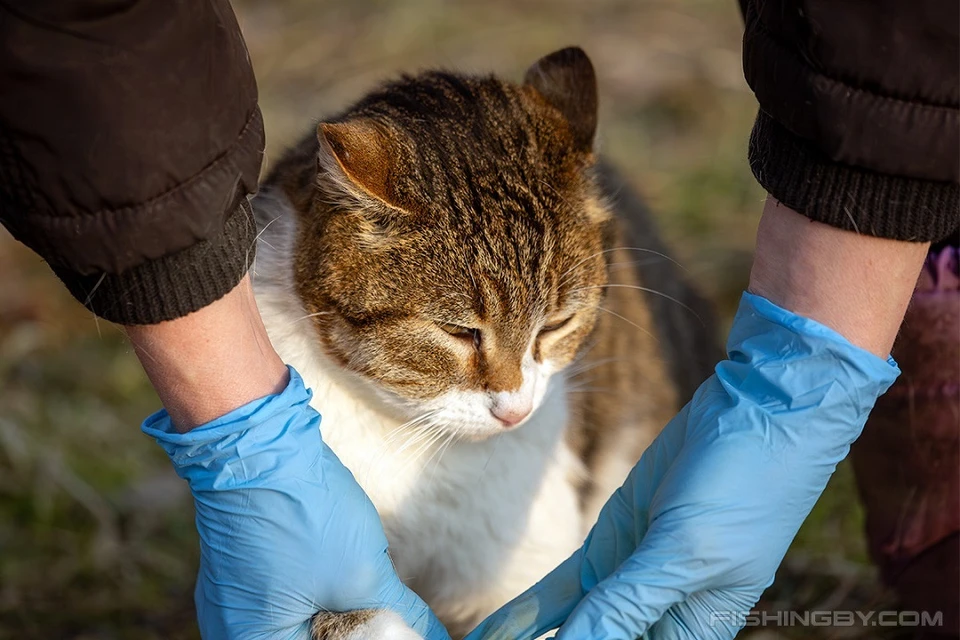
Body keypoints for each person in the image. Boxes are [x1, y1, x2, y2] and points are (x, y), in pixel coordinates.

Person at [0, 1, 956, 639]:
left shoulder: (545, 318)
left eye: (548, 337)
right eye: (467, 339)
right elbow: (89, 52)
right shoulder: (313, 251)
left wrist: (801, 387)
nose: (514, 400)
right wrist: (243, 446)